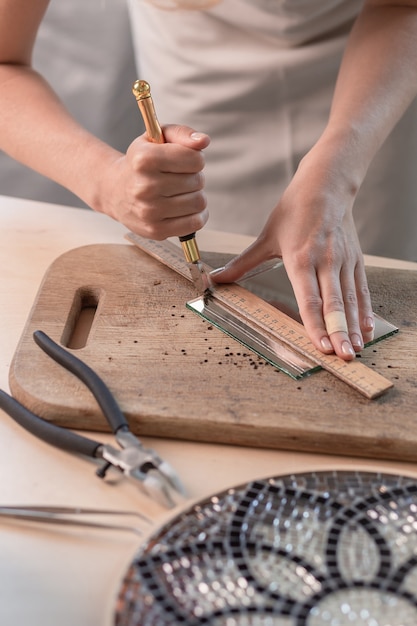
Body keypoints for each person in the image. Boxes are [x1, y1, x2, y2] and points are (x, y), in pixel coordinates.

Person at [0, 0, 416, 364]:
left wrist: (339, 170)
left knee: (363, 293)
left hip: (370, 110)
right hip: (199, 90)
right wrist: (106, 181)